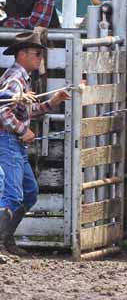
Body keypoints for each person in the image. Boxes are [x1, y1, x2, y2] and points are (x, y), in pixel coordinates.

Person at [0, 30, 70, 261]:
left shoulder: (21, 78)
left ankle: (6, 238)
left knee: (29, 192)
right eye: (36, 53)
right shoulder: (15, 79)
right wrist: (22, 130)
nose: (40, 58)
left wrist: (52, 102)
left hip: (13, 143)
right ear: (22, 54)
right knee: (13, 195)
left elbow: (25, 109)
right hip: (8, 141)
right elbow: (2, 110)